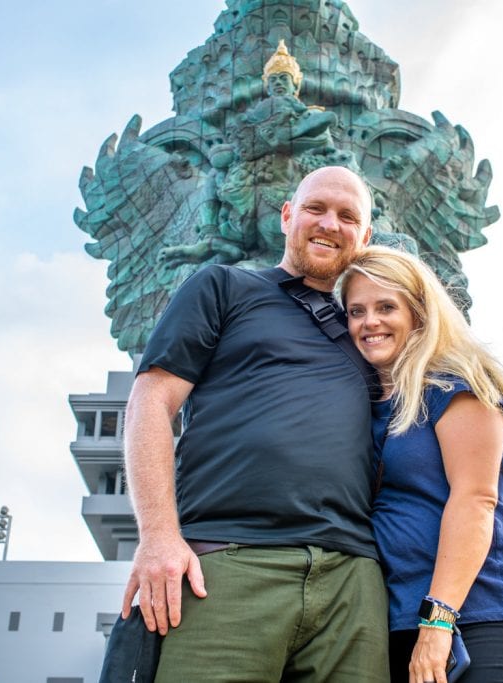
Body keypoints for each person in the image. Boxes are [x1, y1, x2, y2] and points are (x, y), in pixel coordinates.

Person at [120, 166, 390, 682]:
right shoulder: (223, 286)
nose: (330, 224)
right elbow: (150, 403)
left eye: (348, 216)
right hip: (227, 563)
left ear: (365, 235)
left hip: (352, 577)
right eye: (316, 208)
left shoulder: (372, 333)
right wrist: (157, 537)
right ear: (288, 215)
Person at [341, 246, 503, 683]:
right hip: (401, 620)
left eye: (387, 307)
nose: (370, 322)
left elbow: (476, 500)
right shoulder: (367, 406)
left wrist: (438, 623)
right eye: (356, 311)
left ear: (419, 313)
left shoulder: (454, 383)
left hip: (483, 615)